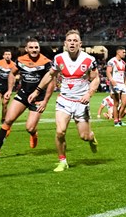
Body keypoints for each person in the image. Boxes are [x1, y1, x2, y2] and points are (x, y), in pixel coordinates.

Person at [29, 30, 99, 172]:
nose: (72, 43)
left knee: (84, 136)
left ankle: (91, 138)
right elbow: (50, 75)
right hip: (64, 101)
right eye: (69, 40)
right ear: (65, 44)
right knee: (60, 132)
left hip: (81, 103)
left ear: (80, 44)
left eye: (75, 40)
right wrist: (37, 91)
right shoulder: (59, 58)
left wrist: (89, 93)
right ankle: (63, 161)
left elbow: (96, 78)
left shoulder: (89, 60)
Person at [0, 38, 54, 158]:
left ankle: (33, 133)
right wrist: (10, 90)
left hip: (38, 97)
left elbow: (52, 81)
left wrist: (45, 101)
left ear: (39, 49)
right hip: (23, 94)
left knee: (29, 127)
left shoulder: (46, 62)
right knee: (8, 120)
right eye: (31, 47)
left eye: (36, 47)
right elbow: (12, 73)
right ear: (26, 49)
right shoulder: (21, 60)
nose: (34, 50)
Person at [106, 47, 126, 127]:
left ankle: (120, 119)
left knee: (125, 103)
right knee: (116, 103)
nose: (125, 54)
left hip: (122, 84)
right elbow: (108, 72)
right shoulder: (111, 61)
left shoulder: (123, 62)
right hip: (115, 83)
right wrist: (111, 80)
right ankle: (116, 121)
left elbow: (123, 74)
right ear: (118, 52)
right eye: (123, 52)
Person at [0, 51, 18, 118]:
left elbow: (18, 75)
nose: (7, 56)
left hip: (8, 88)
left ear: (11, 56)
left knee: (5, 104)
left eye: (9, 54)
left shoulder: (14, 65)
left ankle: (3, 119)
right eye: (6, 54)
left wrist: (15, 79)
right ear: (3, 56)